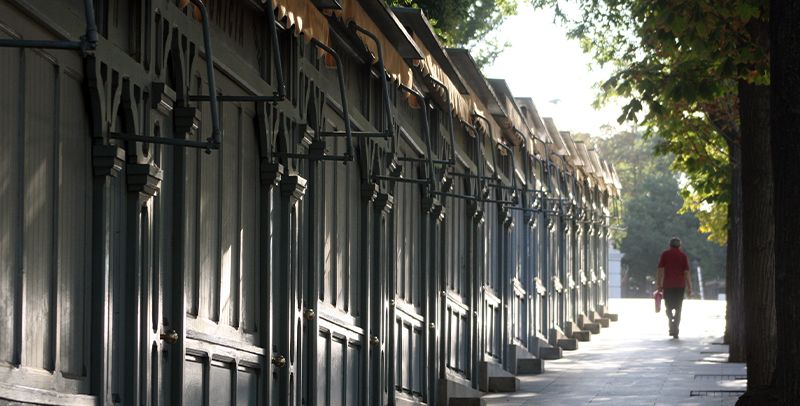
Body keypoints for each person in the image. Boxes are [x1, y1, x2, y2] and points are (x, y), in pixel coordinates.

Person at [656, 237, 693, 339]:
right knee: (678, 308)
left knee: (668, 307)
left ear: (670, 245)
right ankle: (675, 328)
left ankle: (671, 322)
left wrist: (659, 284)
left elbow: (660, 270)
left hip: (667, 285)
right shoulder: (683, 256)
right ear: (680, 246)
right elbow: (686, 273)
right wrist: (690, 287)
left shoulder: (665, 254)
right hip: (680, 286)